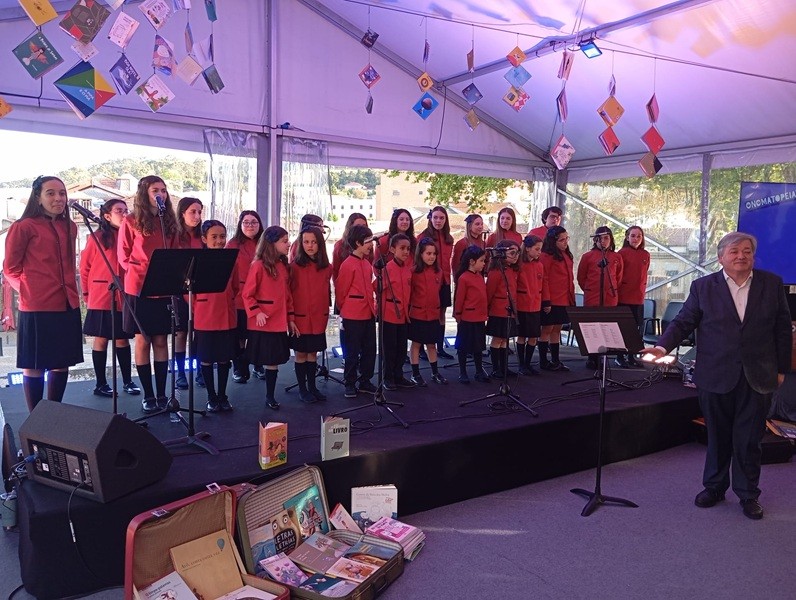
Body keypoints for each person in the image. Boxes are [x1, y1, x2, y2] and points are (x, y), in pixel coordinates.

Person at [646, 232, 791, 520]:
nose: (741, 256)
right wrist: (662, 346)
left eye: (747, 251)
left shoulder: (772, 284)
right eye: (734, 251)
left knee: (749, 439)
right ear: (721, 257)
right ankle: (714, 487)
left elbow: (782, 329)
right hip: (715, 374)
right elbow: (684, 321)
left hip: (758, 375)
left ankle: (748, 494)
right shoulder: (703, 287)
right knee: (718, 435)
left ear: (753, 256)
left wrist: (781, 369)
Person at [3, 176, 83, 411]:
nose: (58, 198)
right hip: (37, 305)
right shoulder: (23, 227)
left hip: (67, 302)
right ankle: (36, 420)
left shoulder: (71, 226)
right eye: (51, 193)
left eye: (62, 193)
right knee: (34, 364)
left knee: (62, 362)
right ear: (37, 197)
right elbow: (11, 269)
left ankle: (54, 414)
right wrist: (30, 290)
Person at [118, 175, 180, 413]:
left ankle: (163, 394)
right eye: (156, 190)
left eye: (163, 190)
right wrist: (139, 271)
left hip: (162, 287)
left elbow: (174, 253)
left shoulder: (169, 221)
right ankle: (149, 395)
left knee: (161, 340)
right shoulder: (131, 221)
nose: (161, 194)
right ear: (144, 193)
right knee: (143, 339)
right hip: (139, 287)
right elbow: (123, 256)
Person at [80, 199, 139, 398]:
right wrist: (86, 293)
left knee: (122, 338)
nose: (124, 214)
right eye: (119, 211)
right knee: (101, 338)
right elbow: (85, 268)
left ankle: (128, 381)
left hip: (124, 293)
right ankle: (101, 383)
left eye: (126, 210)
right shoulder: (96, 237)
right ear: (107, 216)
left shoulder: (130, 236)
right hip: (101, 294)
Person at [242, 226, 298, 410]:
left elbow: (287, 296)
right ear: (272, 243)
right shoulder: (258, 265)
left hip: (279, 323)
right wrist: (256, 311)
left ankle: (270, 396)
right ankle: (266, 393)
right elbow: (247, 294)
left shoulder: (283, 266)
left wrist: (290, 318)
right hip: (264, 323)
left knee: (274, 362)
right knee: (267, 359)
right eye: (284, 240)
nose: (288, 243)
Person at [193, 220, 238, 412]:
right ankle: (211, 396)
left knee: (224, 358)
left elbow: (235, 286)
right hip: (205, 316)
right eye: (214, 237)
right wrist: (200, 306)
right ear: (204, 239)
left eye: (222, 236)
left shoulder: (230, 258)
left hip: (226, 315)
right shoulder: (197, 260)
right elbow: (190, 293)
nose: (219, 241)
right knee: (206, 358)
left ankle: (222, 395)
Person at [289, 225, 332, 403]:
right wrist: (290, 318)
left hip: (318, 318)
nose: (310, 245)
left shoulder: (327, 268)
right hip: (299, 318)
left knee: (313, 354)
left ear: (320, 244)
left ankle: (313, 386)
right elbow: (289, 294)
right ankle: (302, 388)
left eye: (314, 242)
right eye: (306, 242)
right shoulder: (293, 267)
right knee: (300, 354)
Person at [335, 224, 378, 398]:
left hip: (368, 312)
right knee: (352, 350)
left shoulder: (367, 264)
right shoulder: (348, 264)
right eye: (368, 241)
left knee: (369, 349)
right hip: (353, 314)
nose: (371, 245)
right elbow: (341, 291)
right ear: (358, 243)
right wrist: (344, 310)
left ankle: (365, 379)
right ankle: (350, 382)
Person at [577, 225, 624, 369]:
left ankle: (604, 358)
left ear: (611, 239)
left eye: (606, 238)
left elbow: (619, 278)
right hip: (592, 297)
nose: (603, 241)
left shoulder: (616, 257)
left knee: (606, 328)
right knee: (592, 329)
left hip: (610, 298)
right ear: (595, 240)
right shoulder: (587, 256)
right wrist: (590, 290)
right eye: (600, 238)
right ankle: (592, 357)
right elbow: (581, 277)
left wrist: (611, 290)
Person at [226, 210, 264, 383]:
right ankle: (239, 368)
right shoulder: (232, 244)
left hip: (261, 297)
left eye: (253, 222)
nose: (250, 225)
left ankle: (257, 364)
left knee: (257, 335)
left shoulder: (266, 244)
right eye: (246, 222)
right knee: (240, 336)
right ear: (240, 225)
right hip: (240, 298)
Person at [416, 206, 455, 360]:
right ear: (430, 219)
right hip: (428, 280)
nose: (438, 221)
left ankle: (439, 347)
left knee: (441, 314)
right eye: (436, 217)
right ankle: (421, 347)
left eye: (442, 218)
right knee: (425, 314)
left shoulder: (448, 238)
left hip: (444, 279)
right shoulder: (423, 237)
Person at [408, 237, 447, 386]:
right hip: (417, 314)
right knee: (416, 344)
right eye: (428, 253)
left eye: (434, 254)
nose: (431, 256)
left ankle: (435, 372)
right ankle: (415, 374)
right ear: (421, 254)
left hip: (433, 315)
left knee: (432, 345)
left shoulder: (439, 272)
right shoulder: (413, 272)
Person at [174, 197, 204, 389]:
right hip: (179, 290)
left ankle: (200, 370)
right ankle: (180, 374)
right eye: (193, 212)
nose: (197, 216)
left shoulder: (202, 236)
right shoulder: (174, 236)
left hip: (199, 291)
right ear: (182, 213)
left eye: (200, 212)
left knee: (199, 332)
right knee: (181, 333)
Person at [378, 233, 414, 390]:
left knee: (401, 348)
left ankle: (398, 375)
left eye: (408, 249)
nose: (406, 252)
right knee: (389, 348)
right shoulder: (387, 269)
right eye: (402, 248)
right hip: (390, 315)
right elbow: (377, 288)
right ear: (392, 249)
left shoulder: (407, 270)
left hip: (403, 315)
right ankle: (388, 377)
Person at [538, 226, 575, 372]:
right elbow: (544, 279)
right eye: (562, 240)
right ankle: (543, 360)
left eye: (567, 239)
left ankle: (555, 359)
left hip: (564, 298)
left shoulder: (566, 254)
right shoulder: (546, 256)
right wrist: (546, 300)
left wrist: (571, 299)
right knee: (547, 328)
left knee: (558, 328)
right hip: (552, 298)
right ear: (553, 241)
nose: (565, 242)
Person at [452, 245, 489, 384]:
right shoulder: (464, 278)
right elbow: (460, 298)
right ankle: (463, 372)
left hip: (479, 317)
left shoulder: (479, 276)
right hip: (467, 317)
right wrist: (458, 314)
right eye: (482, 261)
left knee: (479, 346)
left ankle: (479, 371)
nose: (484, 263)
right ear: (472, 261)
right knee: (463, 346)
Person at [486, 239, 521, 379]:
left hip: (509, 311)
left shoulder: (511, 271)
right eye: (512, 252)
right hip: (498, 310)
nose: (515, 256)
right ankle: (495, 368)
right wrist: (487, 311)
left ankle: (504, 367)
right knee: (498, 339)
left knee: (505, 339)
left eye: (517, 253)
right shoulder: (495, 272)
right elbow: (489, 293)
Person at [616, 225, 650, 368]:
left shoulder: (645, 254)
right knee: (622, 328)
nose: (636, 239)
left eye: (639, 236)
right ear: (627, 237)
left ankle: (631, 356)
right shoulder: (621, 253)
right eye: (633, 236)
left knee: (635, 329)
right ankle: (619, 356)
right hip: (623, 297)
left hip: (638, 297)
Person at [516, 234, 547, 375]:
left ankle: (528, 363)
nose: (539, 252)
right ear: (527, 248)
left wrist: (546, 301)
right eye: (537, 249)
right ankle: (521, 364)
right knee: (522, 335)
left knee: (534, 335)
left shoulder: (539, 265)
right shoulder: (519, 265)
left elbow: (544, 284)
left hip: (535, 305)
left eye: (540, 249)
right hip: (522, 305)